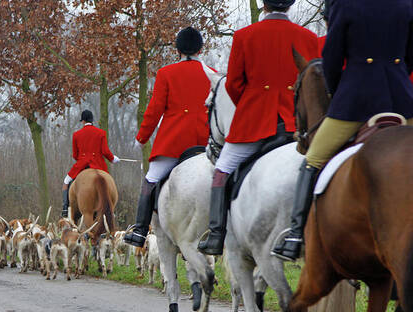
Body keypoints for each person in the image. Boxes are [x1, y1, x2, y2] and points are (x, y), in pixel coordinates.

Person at [272, 0, 413, 261]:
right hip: (401, 101)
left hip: (356, 100)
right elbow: (410, 56)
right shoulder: (406, 4)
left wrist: (338, 94)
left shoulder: (345, 5)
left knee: (313, 159)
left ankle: (294, 236)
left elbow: (333, 59)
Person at [197, 0, 318, 255]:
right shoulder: (308, 37)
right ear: (290, 5)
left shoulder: (244, 36)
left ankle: (216, 235)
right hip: (295, 123)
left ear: (263, 5)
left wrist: (251, 105)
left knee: (222, 169)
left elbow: (233, 85)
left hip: (255, 122)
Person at [124, 27, 213, 248]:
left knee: (152, 179)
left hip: (174, 144)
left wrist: (142, 138)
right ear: (200, 48)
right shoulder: (212, 73)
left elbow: (154, 111)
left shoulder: (166, 73)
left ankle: (140, 231)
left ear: (178, 49)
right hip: (205, 142)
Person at [61, 109, 119, 217]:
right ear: (92, 120)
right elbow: (105, 151)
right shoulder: (101, 133)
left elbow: (75, 155)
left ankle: (65, 208)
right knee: (107, 182)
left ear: (83, 121)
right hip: (98, 164)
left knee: (66, 181)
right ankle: (111, 210)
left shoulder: (76, 135)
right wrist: (113, 159)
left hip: (81, 165)